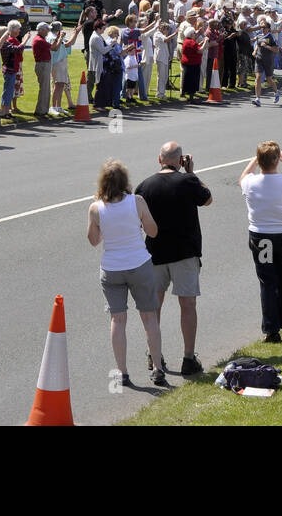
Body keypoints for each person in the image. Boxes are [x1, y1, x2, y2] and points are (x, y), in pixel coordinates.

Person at [87, 160, 167, 388]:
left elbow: (93, 240)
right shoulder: (137, 202)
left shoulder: (95, 208)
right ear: (125, 181)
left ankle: (122, 372)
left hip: (112, 268)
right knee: (149, 317)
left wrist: (105, 229)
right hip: (139, 264)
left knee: (117, 319)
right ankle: (158, 369)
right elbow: (153, 231)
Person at [134, 142, 212, 376]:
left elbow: (138, 221)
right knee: (187, 305)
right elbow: (207, 199)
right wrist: (192, 173)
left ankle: (154, 356)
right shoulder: (188, 181)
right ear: (181, 161)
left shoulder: (144, 186)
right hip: (185, 253)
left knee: (153, 307)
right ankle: (188, 358)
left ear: (159, 160)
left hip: (154, 254)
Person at [239, 141, 282, 342]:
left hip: (261, 237)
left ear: (259, 161)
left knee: (267, 281)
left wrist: (253, 162)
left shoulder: (251, 182)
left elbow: (241, 178)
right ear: (276, 160)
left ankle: (271, 328)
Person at [252, 16, 281, 106]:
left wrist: (267, 46)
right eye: (261, 27)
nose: (262, 29)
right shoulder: (259, 36)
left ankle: (276, 92)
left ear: (268, 29)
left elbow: (276, 50)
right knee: (258, 77)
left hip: (268, 60)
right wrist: (255, 51)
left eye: (264, 28)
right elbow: (258, 44)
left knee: (269, 79)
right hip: (259, 59)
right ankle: (257, 99)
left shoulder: (271, 38)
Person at [180, 19, 206, 103]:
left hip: (188, 63)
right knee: (193, 80)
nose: (195, 34)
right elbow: (200, 50)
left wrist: (201, 42)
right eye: (194, 33)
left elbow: (196, 47)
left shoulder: (187, 41)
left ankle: (185, 93)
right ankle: (191, 97)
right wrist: (205, 42)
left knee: (187, 79)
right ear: (191, 34)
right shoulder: (191, 42)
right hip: (193, 63)